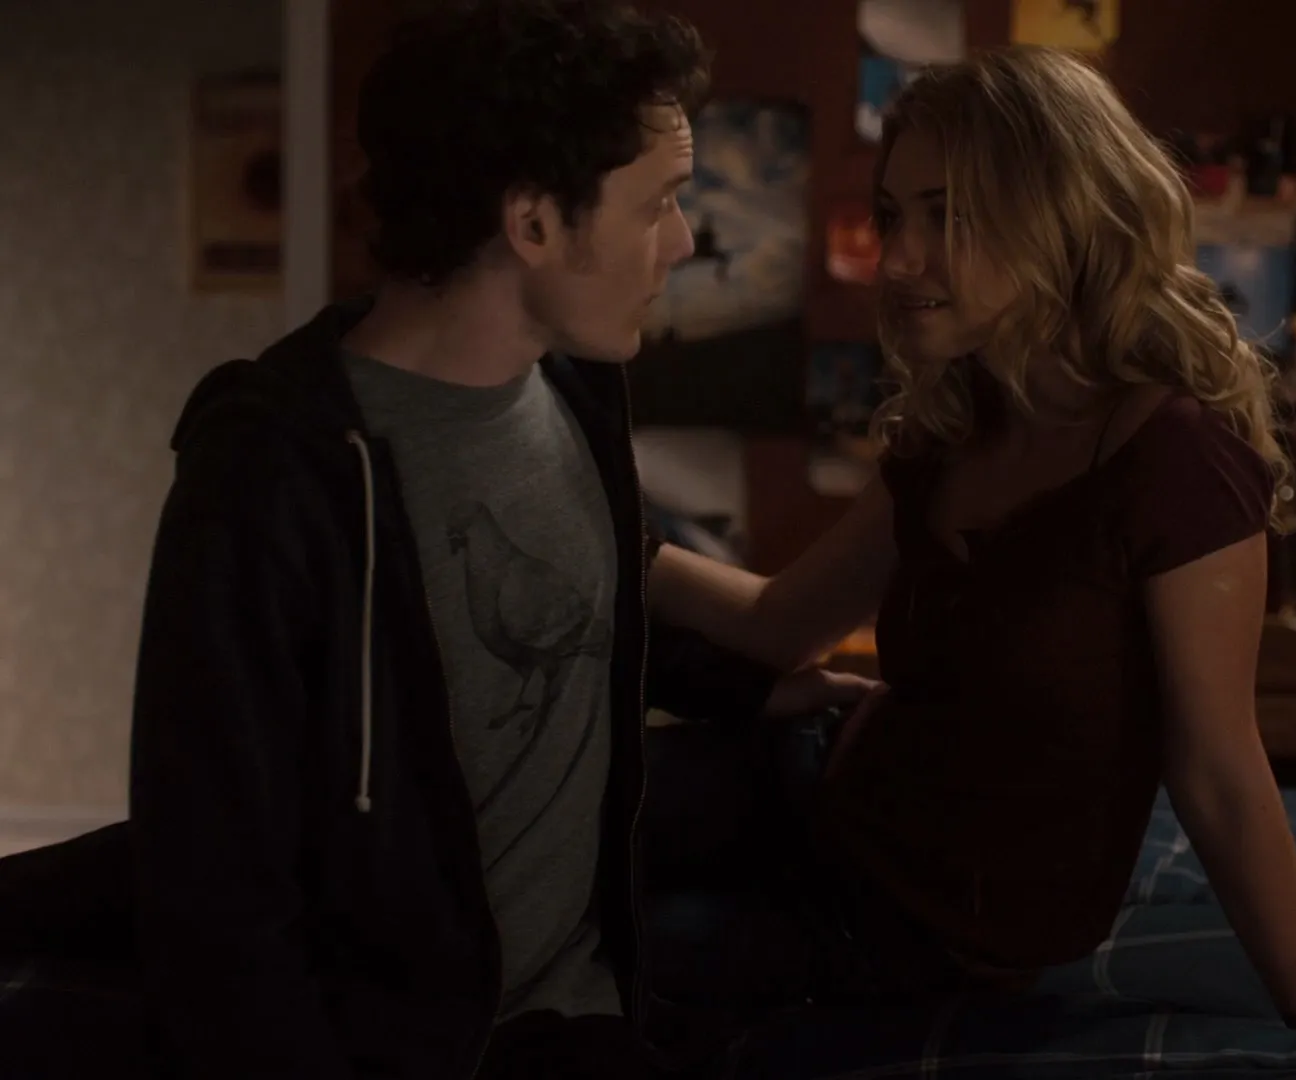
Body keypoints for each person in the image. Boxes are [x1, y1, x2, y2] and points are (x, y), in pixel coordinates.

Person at [124, 3, 873, 1078]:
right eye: (658, 200)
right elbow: (215, 888)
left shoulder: (575, 387)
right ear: (533, 224)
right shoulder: (276, 472)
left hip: (593, 1006)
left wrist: (756, 693)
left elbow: (581, 605)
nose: (682, 241)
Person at [647, 45, 1296, 1042]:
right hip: (814, 777)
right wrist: (603, 540)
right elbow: (781, 622)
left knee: (598, 945)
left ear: (1059, 215)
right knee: (519, 828)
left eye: (948, 216)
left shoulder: (1174, 458)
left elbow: (1220, 777)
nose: (899, 259)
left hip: (912, 929)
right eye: (894, 216)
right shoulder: (957, 426)